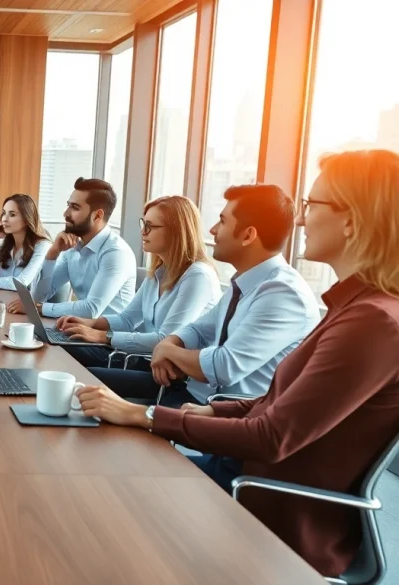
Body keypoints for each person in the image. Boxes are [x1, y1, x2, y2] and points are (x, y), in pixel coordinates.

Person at [76, 149, 399, 578]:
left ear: (352, 219)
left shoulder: (372, 321)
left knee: (105, 494)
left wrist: (144, 415)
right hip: (242, 467)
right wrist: (217, 408)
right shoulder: (352, 308)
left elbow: (272, 435)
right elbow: (277, 398)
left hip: (264, 501)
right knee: (101, 477)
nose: (300, 220)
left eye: (311, 205)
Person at [95, 184, 320, 408]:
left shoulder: (282, 293)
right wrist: (171, 344)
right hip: (194, 396)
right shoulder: (243, 283)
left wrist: (167, 349)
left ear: (248, 235)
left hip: (224, 415)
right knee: (86, 393)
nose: (212, 230)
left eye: (222, 221)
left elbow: (224, 367)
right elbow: (199, 329)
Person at [57, 196, 221, 369]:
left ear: (177, 231)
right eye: (144, 224)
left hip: (172, 375)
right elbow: (127, 319)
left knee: (71, 359)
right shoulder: (159, 271)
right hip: (145, 360)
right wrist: (90, 323)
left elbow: (165, 339)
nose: (143, 232)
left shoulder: (198, 276)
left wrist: (100, 336)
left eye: (151, 226)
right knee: (63, 344)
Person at [10, 177, 136, 319]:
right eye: (68, 205)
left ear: (97, 216)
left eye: (75, 208)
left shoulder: (116, 253)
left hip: (107, 337)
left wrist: (38, 308)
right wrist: (52, 254)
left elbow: (91, 310)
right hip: (80, 329)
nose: (65, 214)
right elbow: (38, 296)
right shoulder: (72, 246)